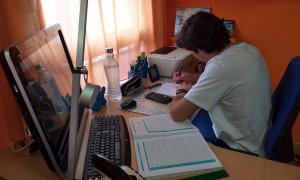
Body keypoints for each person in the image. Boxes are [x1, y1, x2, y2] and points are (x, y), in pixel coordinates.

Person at [168, 11, 272, 156]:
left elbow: (177, 113)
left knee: (177, 136)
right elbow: (230, 79)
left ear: (201, 50)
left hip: (239, 147)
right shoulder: (248, 49)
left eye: (193, 52)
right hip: (257, 131)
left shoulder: (220, 66)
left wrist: (181, 90)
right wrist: (194, 77)